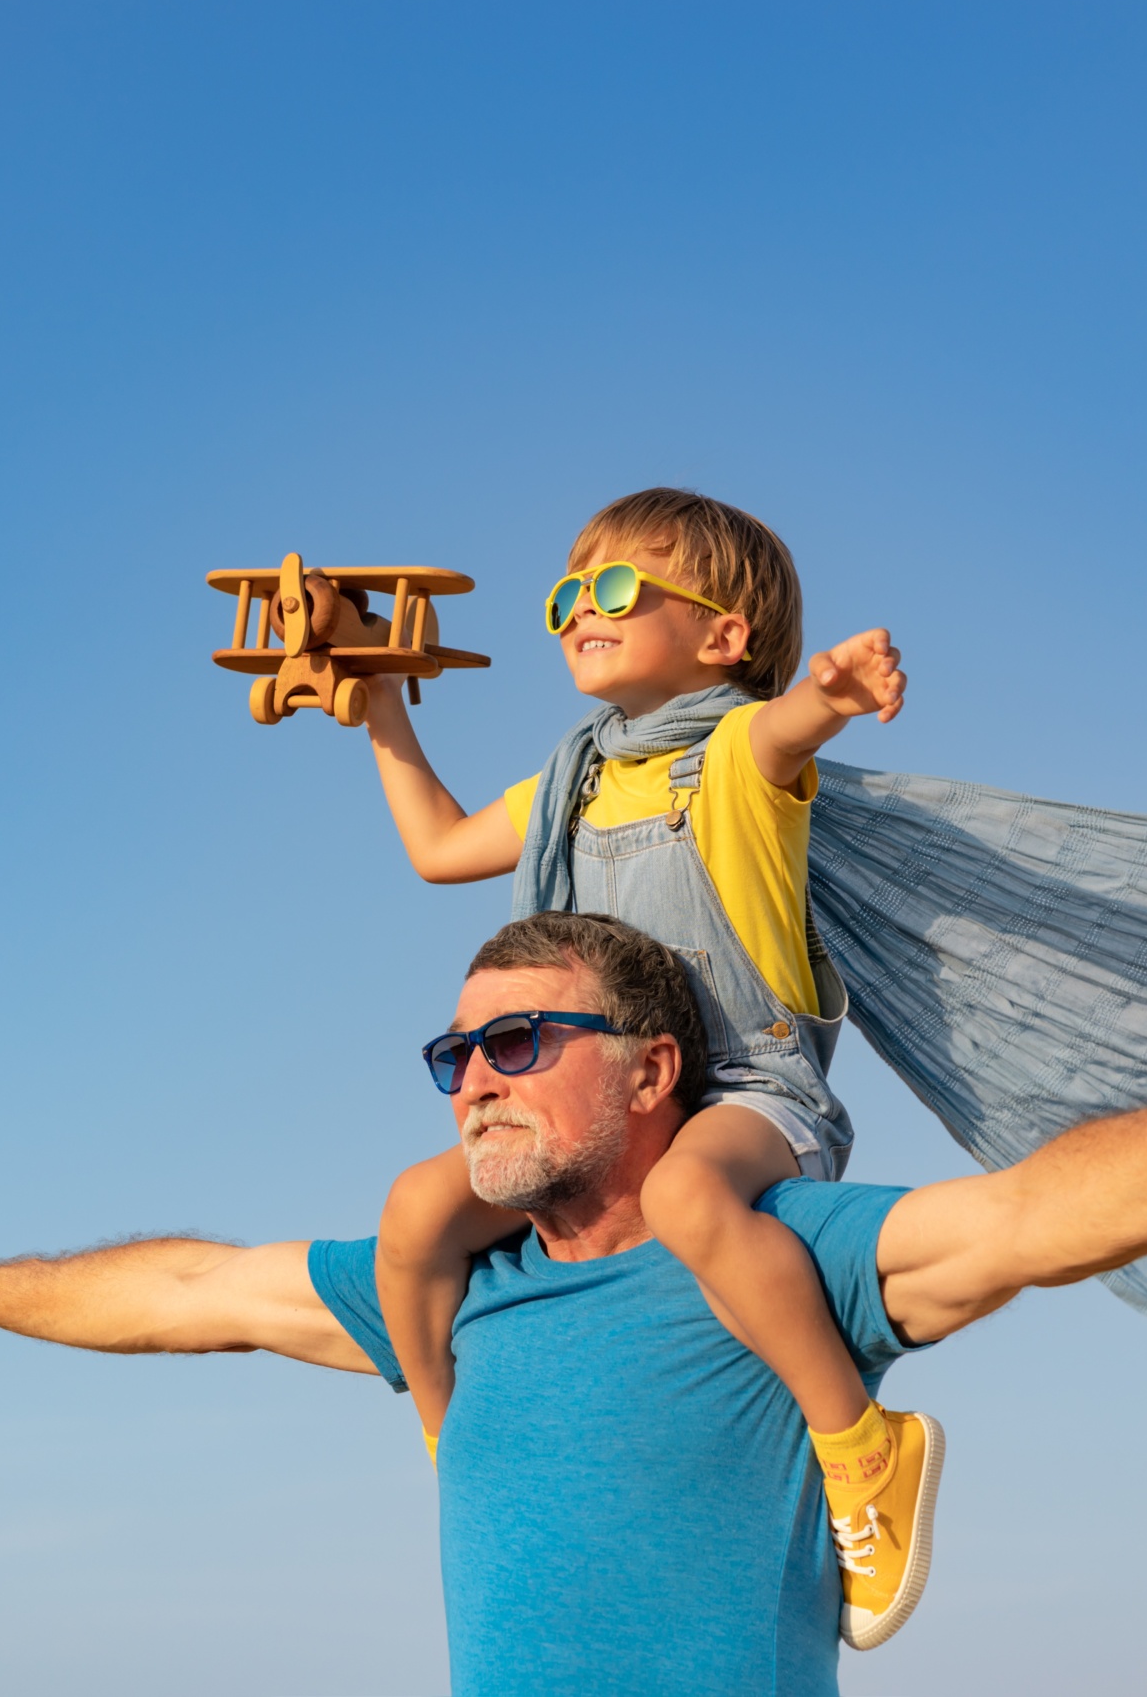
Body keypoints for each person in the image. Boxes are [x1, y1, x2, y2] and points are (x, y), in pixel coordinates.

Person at [0, 912, 1147, 1696]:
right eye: (452, 1052)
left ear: (654, 1067)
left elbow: (1036, 1215)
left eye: (518, 1042)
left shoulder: (774, 1255)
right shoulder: (457, 1287)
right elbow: (189, 1286)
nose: (472, 1079)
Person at [354, 488, 933, 1627]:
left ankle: (859, 1444)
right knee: (417, 1209)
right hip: (608, 1094)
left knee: (687, 1198)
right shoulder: (571, 782)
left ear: (723, 638)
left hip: (748, 1088)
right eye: (569, 593)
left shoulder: (732, 761)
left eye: (618, 588)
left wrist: (829, 691)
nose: (581, 609)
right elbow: (434, 847)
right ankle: (450, 1428)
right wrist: (379, 699)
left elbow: (783, 728)